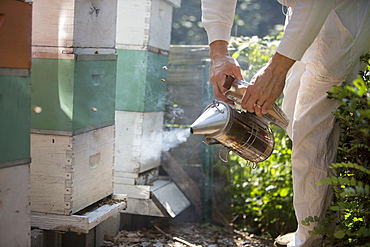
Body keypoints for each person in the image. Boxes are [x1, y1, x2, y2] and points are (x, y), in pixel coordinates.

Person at [201, 0, 370, 246]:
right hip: (300, 12)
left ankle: (311, 239)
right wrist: (219, 52)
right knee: (291, 114)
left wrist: (275, 72)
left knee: (309, 129)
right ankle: (318, 225)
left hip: (341, 12)